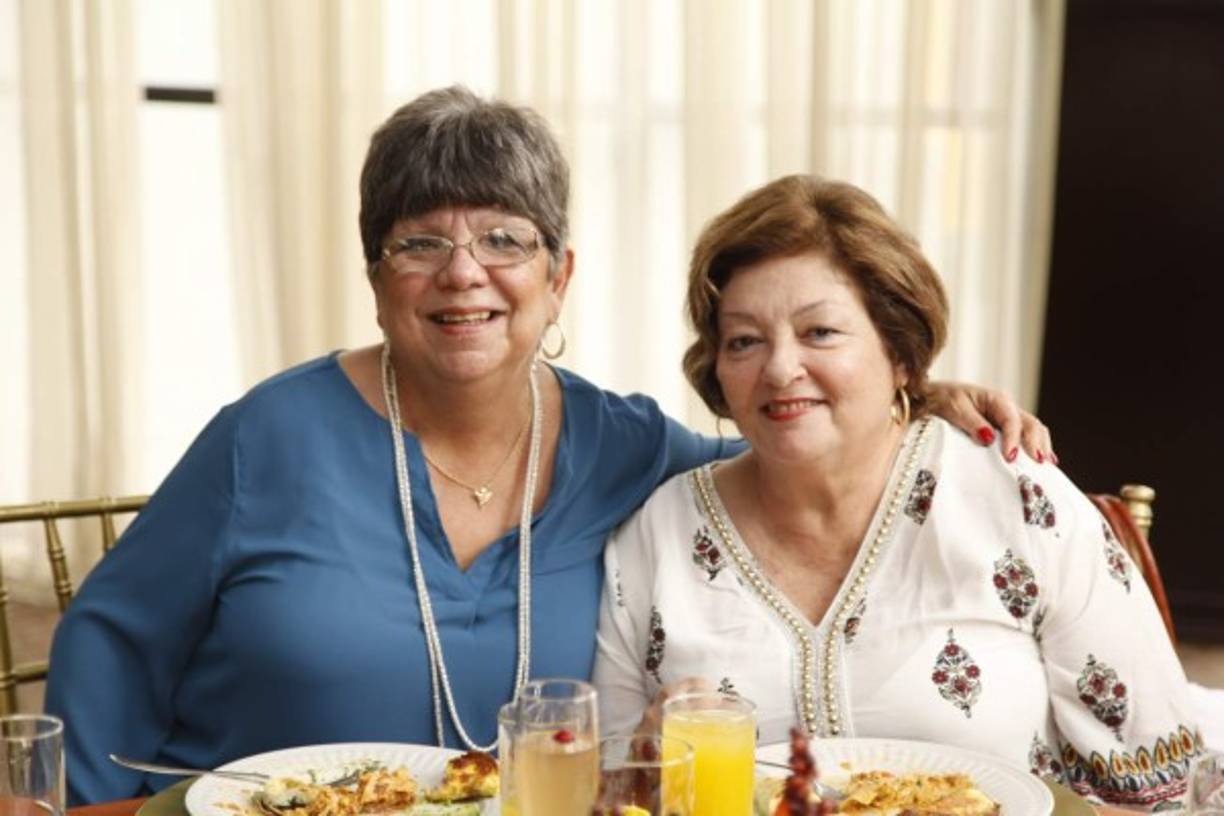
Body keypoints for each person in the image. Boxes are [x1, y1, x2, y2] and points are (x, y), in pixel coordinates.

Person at [45, 88, 1050, 805]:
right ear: (376, 272)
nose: (462, 274)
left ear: (559, 273)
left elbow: (783, 441)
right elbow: (110, 638)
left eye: (504, 238)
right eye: (420, 241)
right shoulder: (264, 439)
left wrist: (906, 400)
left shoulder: (631, 450)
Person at [592, 174, 1202, 811]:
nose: (778, 369)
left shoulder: (1015, 497)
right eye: (744, 340)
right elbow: (602, 797)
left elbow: (1155, 786)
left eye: (820, 332)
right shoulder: (654, 538)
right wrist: (643, 763)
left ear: (901, 354)